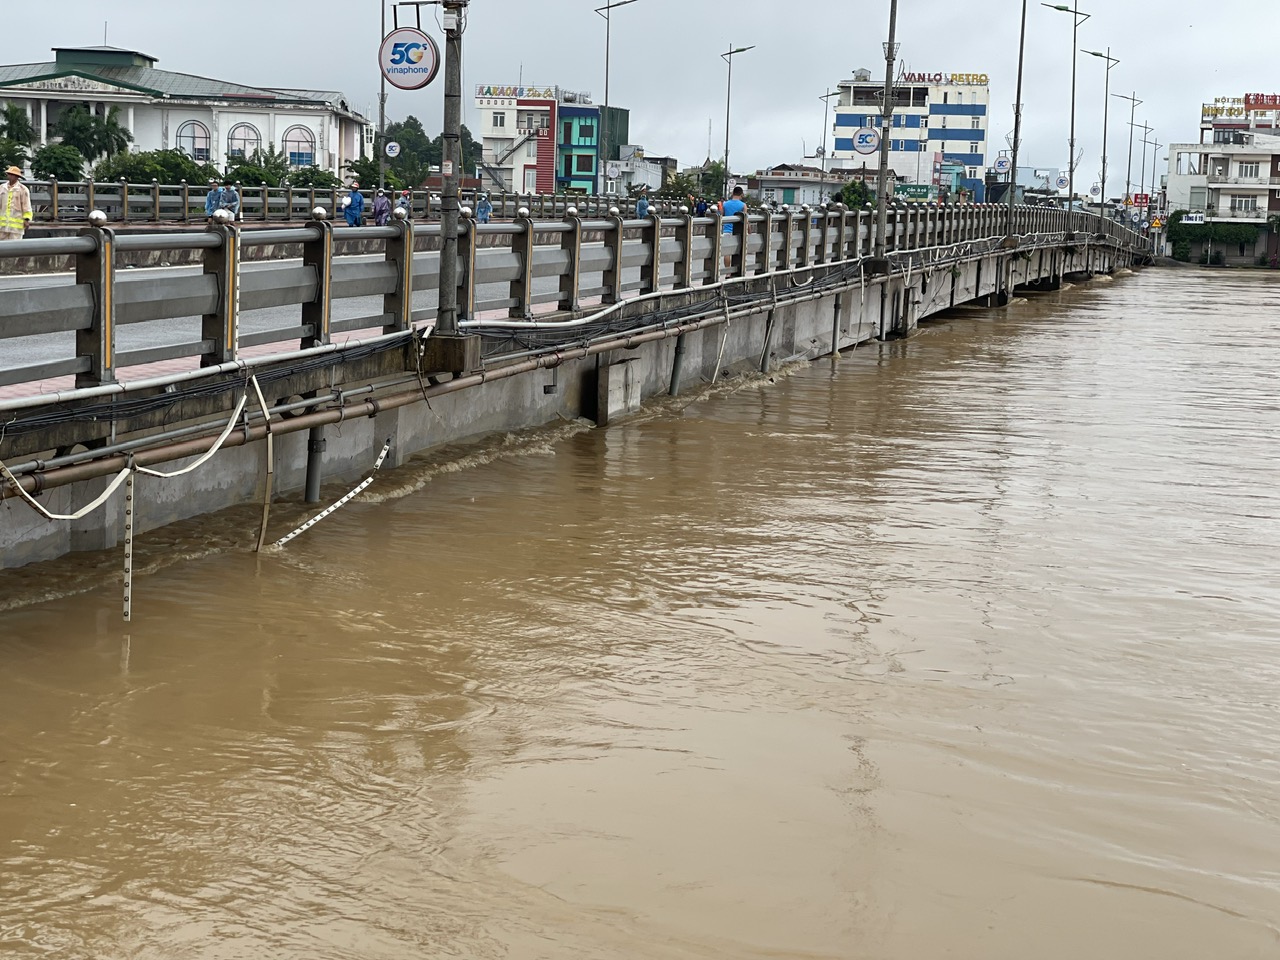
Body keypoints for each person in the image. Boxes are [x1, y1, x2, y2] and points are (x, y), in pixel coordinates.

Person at [0, 166, 32, 240]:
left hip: (16, 227)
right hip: (2, 226)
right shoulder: (2, 188)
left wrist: (26, 219)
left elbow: (26, 205)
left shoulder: (23, 189)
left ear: (17, 177)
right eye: (9, 174)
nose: (10, 176)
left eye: (12, 175)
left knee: (15, 245)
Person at [721, 185, 747, 269]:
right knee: (738, 252)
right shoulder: (743, 205)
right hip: (738, 232)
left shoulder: (725, 204)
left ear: (733, 193)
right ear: (741, 194)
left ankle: (728, 272)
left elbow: (721, 216)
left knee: (727, 252)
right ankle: (736, 270)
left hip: (726, 230)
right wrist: (748, 231)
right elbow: (746, 220)